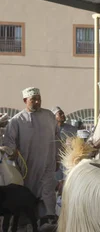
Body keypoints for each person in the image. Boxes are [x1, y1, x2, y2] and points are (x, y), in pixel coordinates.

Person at [3, 87, 59, 220]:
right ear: (25, 100)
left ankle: (48, 219)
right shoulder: (17, 120)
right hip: (28, 165)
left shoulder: (49, 116)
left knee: (47, 190)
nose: (37, 102)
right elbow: (9, 141)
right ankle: (27, 221)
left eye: (39, 99)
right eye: (33, 99)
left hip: (48, 161)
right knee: (29, 193)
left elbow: (57, 137)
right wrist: (12, 152)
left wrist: (58, 157)